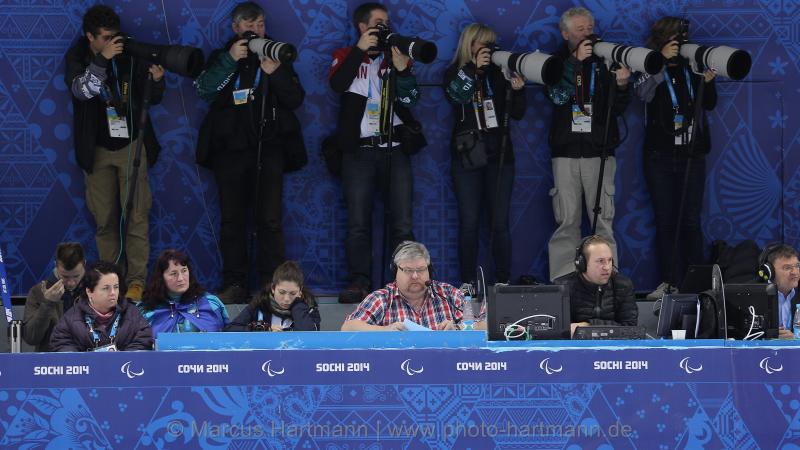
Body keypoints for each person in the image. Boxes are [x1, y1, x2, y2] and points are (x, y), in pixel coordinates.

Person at [195, 1, 305, 304]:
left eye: (259, 24)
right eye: (248, 25)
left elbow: (295, 99)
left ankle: (272, 286)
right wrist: (230, 60)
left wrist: (277, 73)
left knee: (269, 220)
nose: (255, 30)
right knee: (232, 220)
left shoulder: (276, 54)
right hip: (230, 151)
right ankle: (234, 282)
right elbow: (205, 90)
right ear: (235, 28)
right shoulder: (222, 56)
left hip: (269, 148)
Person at [65, 5, 166, 301]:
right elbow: (82, 91)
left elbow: (151, 98)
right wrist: (101, 60)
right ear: (90, 37)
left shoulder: (129, 52)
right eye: (106, 38)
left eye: (115, 36)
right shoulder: (77, 56)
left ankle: (135, 283)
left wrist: (157, 81)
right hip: (95, 149)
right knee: (105, 220)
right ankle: (112, 284)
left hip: (131, 144)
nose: (113, 42)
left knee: (136, 216)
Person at [329, 2, 421, 303]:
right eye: (379, 23)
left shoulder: (394, 55)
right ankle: (359, 282)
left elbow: (411, 97)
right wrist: (359, 50)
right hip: (359, 152)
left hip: (394, 148)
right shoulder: (345, 56)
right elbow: (338, 84)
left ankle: (405, 284)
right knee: (358, 222)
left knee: (403, 224)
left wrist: (401, 68)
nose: (385, 27)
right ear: (362, 27)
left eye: (387, 22)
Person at [545, 7, 631, 282]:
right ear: (565, 33)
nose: (587, 34)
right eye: (580, 29)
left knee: (602, 222)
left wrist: (621, 85)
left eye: (590, 27)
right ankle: (564, 282)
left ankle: (608, 282)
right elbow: (557, 97)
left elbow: (617, 109)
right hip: (566, 153)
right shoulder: (556, 61)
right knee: (567, 222)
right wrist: (574, 63)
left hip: (600, 151)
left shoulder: (605, 58)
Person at [634, 17, 717, 299]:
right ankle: (668, 281)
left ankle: (698, 283)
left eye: (683, 37)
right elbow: (643, 94)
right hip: (659, 154)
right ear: (661, 38)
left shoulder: (692, 63)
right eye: (675, 38)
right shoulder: (648, 61)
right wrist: (659, 61)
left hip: (692, 153)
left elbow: (709, 104)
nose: (680, 42)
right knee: (665, 220)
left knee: (691, 221)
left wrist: (707, 82)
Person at [442, 23, 526, 287]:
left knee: (499, 222)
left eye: (492, 44)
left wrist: (518, 89)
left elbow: (518, 113)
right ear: (470, 44)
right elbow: (457, 96)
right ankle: (467, 282)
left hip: (499, 155)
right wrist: (473, 70)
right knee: (469, 222)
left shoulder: (499, 73)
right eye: (482, 44)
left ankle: (503, 279)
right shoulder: (454, 72)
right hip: (467, 156)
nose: (488, 50)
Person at [342, 241, 464, 331]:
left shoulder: (448, 294)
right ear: (395, 272)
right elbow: (347, 328)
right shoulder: (381, 299)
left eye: (421, 270)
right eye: (408, 270)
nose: (415, 276)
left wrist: (457, 328)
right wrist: (384, 330)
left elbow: (478, 326)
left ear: (429, 270)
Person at [49, 261, 153, 352]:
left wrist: (122, 359)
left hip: (123, 371)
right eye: (105, 288)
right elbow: (61, 344)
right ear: (89, 291)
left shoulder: (132, 314)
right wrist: (85, 361)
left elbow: (143, 340)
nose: (113, 293)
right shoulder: (71, 318)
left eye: (116, 287)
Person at [555, 235, 638, 336]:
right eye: (600, 261)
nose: (607, 267)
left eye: (610, 260)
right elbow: (557, 329)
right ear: (582, 264)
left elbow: (630, 329)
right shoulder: (563, 287)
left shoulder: (623, 285)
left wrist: (588, 326)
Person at [138, 249, 229, 337]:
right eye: (173, 273)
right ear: (161, 278)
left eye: (184, 271)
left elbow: (227, 338)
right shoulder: (146, 311)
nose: (181, 278)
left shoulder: (210, 303)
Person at [22, 242, 87, 352]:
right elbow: (31, 338)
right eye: (65, 276)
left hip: (88, 360)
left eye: (76, 276)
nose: (71, 283)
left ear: (84, 264)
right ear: (56, 266)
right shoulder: (37, 292)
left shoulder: (94, 290)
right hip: (50, 363)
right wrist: (47, 303)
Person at [225, 261, 320, 331]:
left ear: (300, 291)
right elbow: (231, 329)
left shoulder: (308, 306)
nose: (287, 299)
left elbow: (309, 335)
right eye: (282, 292)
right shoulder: (260, 303)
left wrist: (298, 306)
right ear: (273, 288)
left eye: (293, 293)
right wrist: (264, 328)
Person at [757, 244, 799, 339]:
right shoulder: (753, 294)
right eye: (787, 268)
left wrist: (795, 338)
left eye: (797, 266)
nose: (795, 272)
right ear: (769, 272)